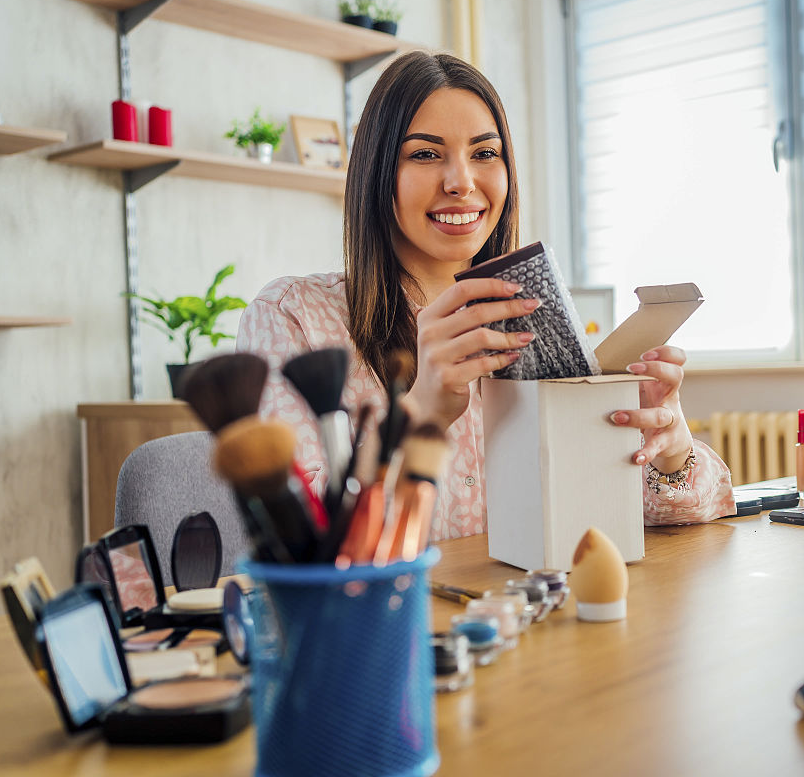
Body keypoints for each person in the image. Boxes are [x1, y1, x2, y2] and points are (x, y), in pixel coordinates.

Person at [237, 51, 734, 543]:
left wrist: (667, 447)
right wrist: (421, 409)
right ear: (378, 171)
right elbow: (298, 543)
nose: (462, 182)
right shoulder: (293, 317)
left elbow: (656, 514)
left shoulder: (538, 322)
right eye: (426, 154)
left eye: (485, 153)